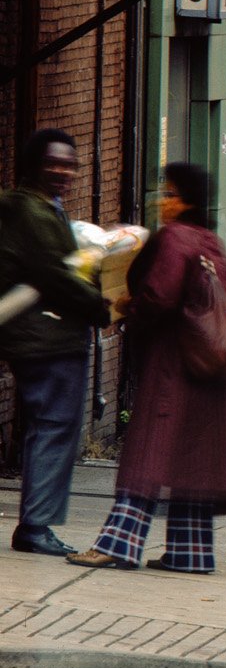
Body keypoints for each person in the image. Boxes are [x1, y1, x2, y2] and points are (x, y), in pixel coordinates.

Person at [68, 163, 226, 573]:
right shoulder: (211, 241)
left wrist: (125, 306)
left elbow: (160, 296)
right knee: (193, 461)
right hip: (211, 369)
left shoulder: (176, 237)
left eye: (169, 194)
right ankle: (191, 553)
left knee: (148, 453)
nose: (161, 201)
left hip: (174, 364)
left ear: (185, 200)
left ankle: (118, 544)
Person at [0, 131, 112, 558]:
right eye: (55, 164)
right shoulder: (35, 212)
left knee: (47, 427)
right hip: (49, 337)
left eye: (70, 165)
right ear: (33, 165)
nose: (64, 172)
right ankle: (36, 526)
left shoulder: (41, 207)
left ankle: (36, 522)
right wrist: (103, 307)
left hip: (42, 334)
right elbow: (55, 276)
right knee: (55, 428)